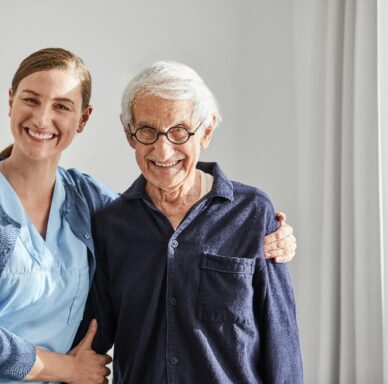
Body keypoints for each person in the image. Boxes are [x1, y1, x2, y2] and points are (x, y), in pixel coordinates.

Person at [0, 48, 297, 384]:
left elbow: (154, 215)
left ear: (83, 118)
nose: (41, 119)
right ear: (11, 101)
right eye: (31, 100)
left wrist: (277, 237)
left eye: (61, 106)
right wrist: (69, 369)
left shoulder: (91, 200)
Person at [82, 61, 303, 383]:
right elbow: (92, 337)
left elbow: (281, 340)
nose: (163, 149)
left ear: (207, 130)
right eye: (147, 131)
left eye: (179, 131)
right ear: (129, 134)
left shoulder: (253, 212)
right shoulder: (111, 224)